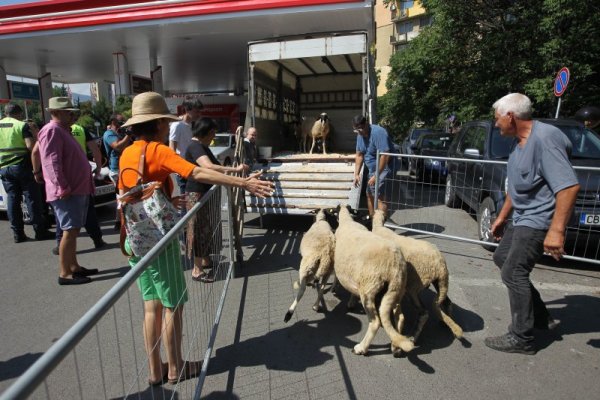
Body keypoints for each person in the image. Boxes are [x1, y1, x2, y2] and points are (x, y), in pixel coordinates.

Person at [118, 91, 272, 386]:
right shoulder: (158, 150)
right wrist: (243, 182)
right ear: (160, 124)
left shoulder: (127, 152)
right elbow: (198, 171)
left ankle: (155, 370)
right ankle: (175, 367)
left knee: (151, 306)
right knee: (172, 305)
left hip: (135, 238)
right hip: (158, 244)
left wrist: (163, 198)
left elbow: (132, 192)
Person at [485, 93, 580, 355]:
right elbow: (515, 191)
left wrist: (556, 231)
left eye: (497, 119)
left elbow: (569, 187)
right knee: (502, 258)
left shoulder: (545, 139)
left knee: (513, 272)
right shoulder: (518, 146)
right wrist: (502, 217)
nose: (496, 125)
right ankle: (539, 316)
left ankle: (522, 337)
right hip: (522, 217)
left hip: (540, 220)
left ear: (510, 116)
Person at [37, 97, 99, 285]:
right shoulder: (52, 131)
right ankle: (65, 273)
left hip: (75, 189)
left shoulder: (62, 130)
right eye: (69, 112)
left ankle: (73, 266)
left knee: (73, 230)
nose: (73, 115)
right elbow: (51, 162)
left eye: (73, 112)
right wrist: (61, 186)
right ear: (56, 113)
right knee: (69, 231)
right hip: (67, 191)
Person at [185, 117, 249, 282]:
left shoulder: (202, 146)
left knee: (206, 228)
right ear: (204, 132)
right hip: (196, 195)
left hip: (204, 194)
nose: (213, 136)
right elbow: (209, 167)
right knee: (198, 229)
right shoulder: (195, 146)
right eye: (212, 132)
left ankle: (205, 261)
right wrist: (235, 169)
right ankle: (197, 270)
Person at [33, 117, 107, 255]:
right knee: (81, 217)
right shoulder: (56, 130)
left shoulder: (59, 130)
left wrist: (36, 171)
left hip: (72, 180)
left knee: (64, 220)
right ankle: (96, 240)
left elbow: (36, 152)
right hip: (73, 180)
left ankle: (61, 246)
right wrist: (97, 167)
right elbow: (95, 150)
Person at [0, 103, 53, 242]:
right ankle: (40, 231)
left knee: (12, 199)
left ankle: (18, 234)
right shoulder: (21, 125)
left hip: (4, 168)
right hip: (22, 166)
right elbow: (31, 146)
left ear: (6, 113)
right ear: (19, 114)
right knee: (32, 198)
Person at [352, 115, 396, 217]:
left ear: (366, 124)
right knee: (369, 194)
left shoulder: (379, 133)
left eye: (360, 129)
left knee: (379, 195)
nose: (359, 132)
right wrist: (356, 174)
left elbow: (385, 155)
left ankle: (381, 225)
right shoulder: (360, 135)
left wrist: (376, 175)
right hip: (372, 168)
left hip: (384, 166)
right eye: (356, 130)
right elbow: (359, 155)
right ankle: (372, 221)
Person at [103, 113, 131, 230]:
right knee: (123, 196)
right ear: (113, 121)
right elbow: (118, 146)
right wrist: (128, 135)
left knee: (121, 196)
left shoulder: (120, 133)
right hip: (116, 169)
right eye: (121, 121)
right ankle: (122, 222)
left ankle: (119, 222)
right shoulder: (109, 134)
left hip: (123, 167)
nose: (123, 123)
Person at [169, 99, 204, 193]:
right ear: (187, 110)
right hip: (183, 169)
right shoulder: (177, 125)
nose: (199, 114)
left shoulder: (194, 125)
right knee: (185, 199)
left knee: (193, 199)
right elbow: (172, 149)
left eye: (200, 111)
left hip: (193, 167)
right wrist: (178, 168)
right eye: (197, 111)